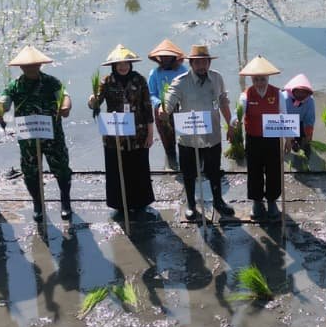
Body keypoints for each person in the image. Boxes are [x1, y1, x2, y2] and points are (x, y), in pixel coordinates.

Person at [0, 45, 74, 222]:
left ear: (40, 64)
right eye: (26, 65)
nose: (31, 67)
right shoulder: (15, 86)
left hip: (52, 134)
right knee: (30, 172)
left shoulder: (51, 82)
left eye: (34, 64)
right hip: (28, 138)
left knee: (61, 168)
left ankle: (65, 201)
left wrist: (65, 106)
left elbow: (64, 95)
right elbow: (4, 101)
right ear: (21, 67)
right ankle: (38, 204)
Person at [164, 43, 236, 221]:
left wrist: (231, 125)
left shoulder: (217, 78)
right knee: (189, 173)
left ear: (209, 62)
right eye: (198, 63)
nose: (202, 66)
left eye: (205, 62)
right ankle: (191, 204)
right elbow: (170, 99)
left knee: (214, 171)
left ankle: (218, 201)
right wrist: (164, 109)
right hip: (189, 137)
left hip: (212, 136)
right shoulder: (181, 82)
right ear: (191, 64)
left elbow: (223, 101)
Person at [87, 44, 157, 217]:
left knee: (138, 167)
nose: (123, 67)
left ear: (131, 64)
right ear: (114, 66)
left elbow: (147, 107)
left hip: (138, 132)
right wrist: (92, 100)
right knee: (116, 169)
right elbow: (96, 103)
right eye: (119, 64)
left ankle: (140, 203)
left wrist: (150, 133)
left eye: (126, 63)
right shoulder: (106, 82)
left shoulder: (139, 80)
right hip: (114, 133)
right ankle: (119, 204)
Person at [239, 55, 283, 219]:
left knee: (274, 170)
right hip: (253, 139)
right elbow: (239, 113)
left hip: (272, 139)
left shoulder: (278, 94)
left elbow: (284, 116)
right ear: (251, 79)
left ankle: (272, 201)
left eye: (262, 79)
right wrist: (234, 122)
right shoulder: (246, 95)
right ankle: (257, 202)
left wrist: (288, 139)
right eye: (256, 79)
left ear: (268, 78)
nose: (259, 83)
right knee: (254, 171)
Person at [147, 38, 188, 166]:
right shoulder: (154, 73)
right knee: (167, 141)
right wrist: (159, 105)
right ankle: (171, 163)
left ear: (174, 57)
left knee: (185, 139)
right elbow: (151, 94)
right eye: (162, 57)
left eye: (168, 56)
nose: (165, 59)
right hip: (162, 109)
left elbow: (188, 90)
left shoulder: (183, 71)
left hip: (180, 107)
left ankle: (186, 165)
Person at [281, 74, 317, 153]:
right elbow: (281, 120)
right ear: (292, 91)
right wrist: (289, 139)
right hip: (286, 122)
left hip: (301, 121)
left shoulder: (310, 101)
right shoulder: (284, 98)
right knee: (292, 145)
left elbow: (310, 120)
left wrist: (308, 135)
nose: (301, 95)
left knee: (304, 146)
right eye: (298, 92)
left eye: (304, 93)